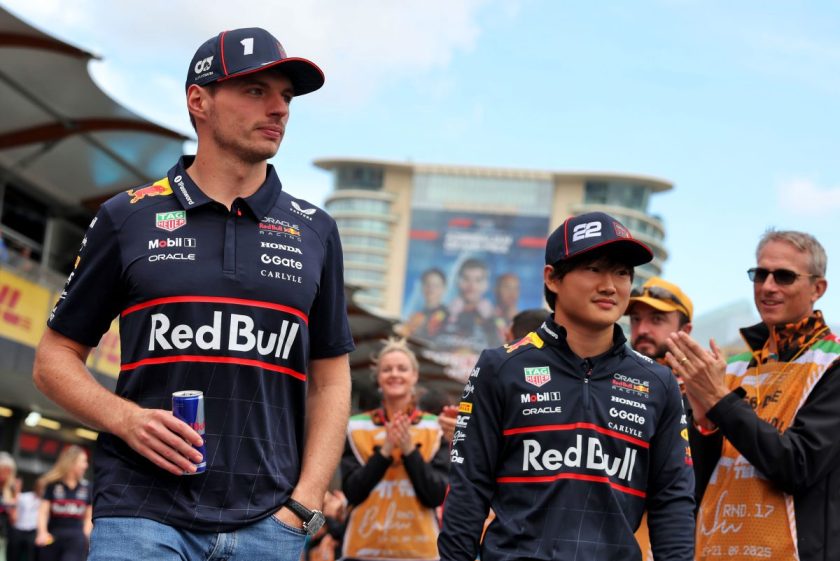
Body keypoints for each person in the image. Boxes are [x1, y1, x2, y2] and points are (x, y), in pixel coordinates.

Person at [33, 27, 354, 561]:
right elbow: (53, 358)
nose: (279, 108)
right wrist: (125, 419)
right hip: (139, 513)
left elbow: (331, 378)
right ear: (199, 101)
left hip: (269, 524)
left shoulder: (315, 229)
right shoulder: (127, 215)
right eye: (256, 91)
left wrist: (305, 502)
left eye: (286, 96)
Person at [438, 211, 694, 561]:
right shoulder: (501, 367)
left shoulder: (657, 382)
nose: (610, 285)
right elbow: (468, 489)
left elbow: (672, 501)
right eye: (594, 268)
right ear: (552, 278)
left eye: (622, 272)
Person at [666, 229, 840, 561]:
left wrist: (720, 401)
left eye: (784, 276)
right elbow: (692, 483)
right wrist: (704, 425)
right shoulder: (730, 367)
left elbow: (796, 466)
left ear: (818, 288)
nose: (768, 286)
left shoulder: (832, 363)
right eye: (760, 274)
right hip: (714, 552)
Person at [341, 338, 449, 560]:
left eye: (402, 368)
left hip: (419, 551)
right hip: (364, 550)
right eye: (387, 369)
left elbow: (436, 495)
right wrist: (385, 451)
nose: (394, 374)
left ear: (414, 376)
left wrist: (409, 450)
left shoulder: (435, 428)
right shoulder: (356, 426)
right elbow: (352, 492)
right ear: (378, 378)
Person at [625, 277, 694, 561]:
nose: (642, 330)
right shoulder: (609, 382)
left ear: (685, 330)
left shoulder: (707, 392)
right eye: (635, 319)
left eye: (656, 319)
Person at [34, 446, 91, 561]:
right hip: (53, 536)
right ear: (72, 462)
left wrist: (85, 535)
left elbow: (89, 516)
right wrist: (42, 532)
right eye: (83, 461)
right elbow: (43, 512)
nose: (86, 465)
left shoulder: (87, 487)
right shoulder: (52, 486)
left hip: (76, 538)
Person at [442, 259, 502, 351]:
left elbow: (501, 345)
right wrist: (450, 316)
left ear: (486, 285)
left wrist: (489, 320)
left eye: (478, 280)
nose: (471, 285)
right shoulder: (444, 313)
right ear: (457, 282)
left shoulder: (494, 315)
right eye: (466, 279)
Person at [404, 269, 449, 340]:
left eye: (435, 285)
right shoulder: (416, 315)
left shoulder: (448, 315)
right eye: (427, 284)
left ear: (443, 288)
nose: (431, 289)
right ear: (422, 286)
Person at [8, 478, 42, 561]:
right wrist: (16, 491)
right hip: (18, 529)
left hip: (33, 531)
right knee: (14, 555)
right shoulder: (25, 496)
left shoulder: (45, 501)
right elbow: (13, 501)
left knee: (31, 556)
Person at [0, 452, 17, 560]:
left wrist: (12, 506)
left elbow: (14, 519)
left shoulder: (9, 491)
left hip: (2, 534)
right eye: (2, 471)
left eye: (8, 472)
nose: (4, 475)